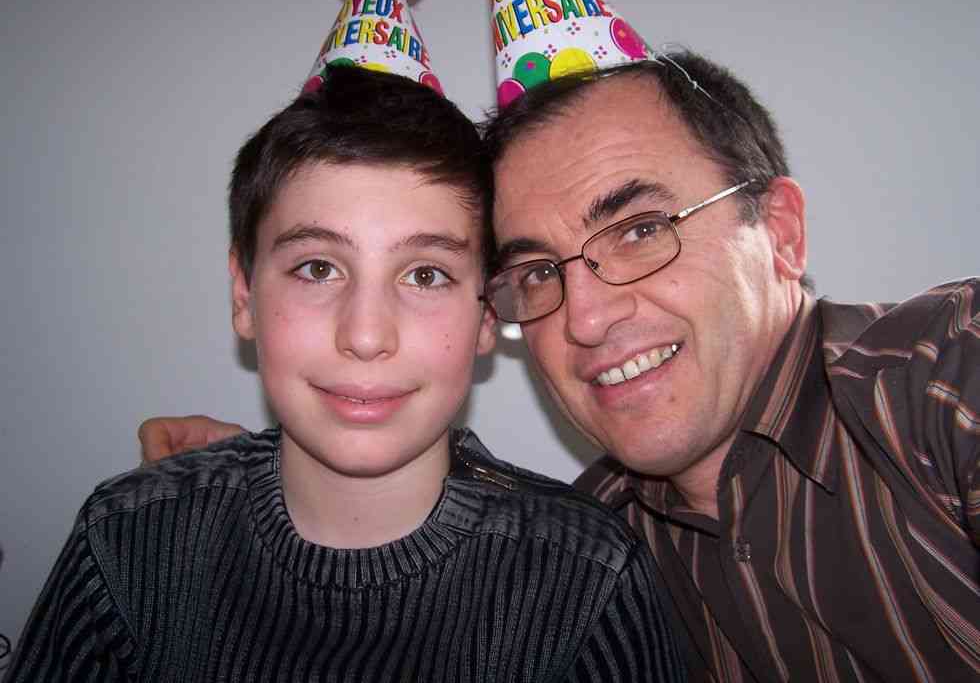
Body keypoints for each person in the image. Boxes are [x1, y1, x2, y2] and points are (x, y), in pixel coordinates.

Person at [141, 50, 980, 681]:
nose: (586, 316)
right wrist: (253, 480)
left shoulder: (948, 380)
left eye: (641, 229)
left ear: (782, 233)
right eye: (540, 271)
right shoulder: (598, 544)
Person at [6, 66, 685, 682]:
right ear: (244, 294)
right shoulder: (127, 541)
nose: (364, 335)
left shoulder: (588, 583)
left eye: (426, 275)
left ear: (486, 313)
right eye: (318, 268)